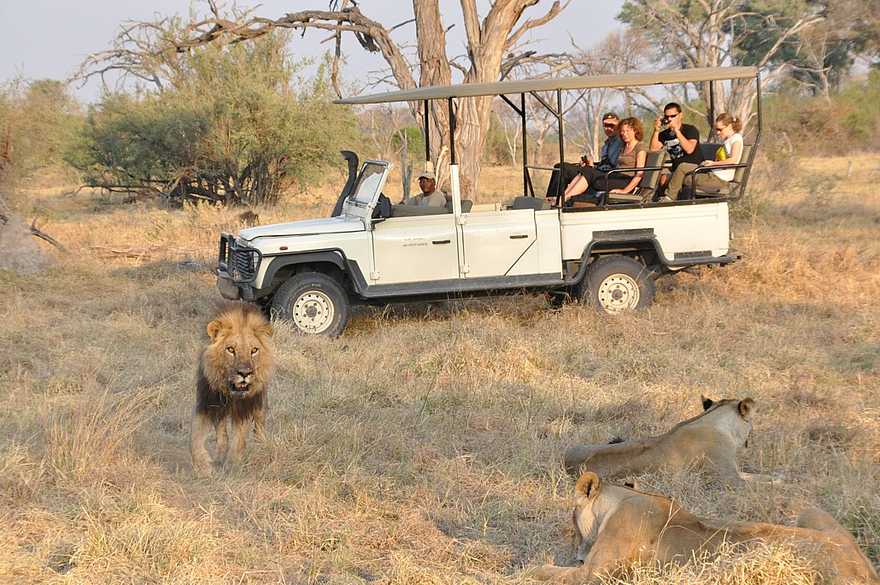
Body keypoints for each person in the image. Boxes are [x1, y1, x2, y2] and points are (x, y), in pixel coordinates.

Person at [562, 117, 648, 205]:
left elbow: (639, 174)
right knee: (586, 169)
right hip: (615, 176)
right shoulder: (623, 146)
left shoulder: (640, 147)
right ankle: (563, 197)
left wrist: (625, 191)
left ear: (635, 131)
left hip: (625, 180)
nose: (624, 134)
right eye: (622, 131)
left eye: (627, 131)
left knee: (590, 173)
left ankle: (565, 199)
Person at [665, 113, 744, 201]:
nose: (717, 133)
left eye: (720, 129)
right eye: (716, 129)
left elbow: (734, 160)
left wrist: (713, 164)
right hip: (712, 174)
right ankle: (669, 197)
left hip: (719, 180)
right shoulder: (727, 140)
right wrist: (708, 164)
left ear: (729, 126)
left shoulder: (736, 138)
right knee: (682, 167)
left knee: (681, 178)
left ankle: (669, 198)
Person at [545, 112, 622, 202]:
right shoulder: (605, 145)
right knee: (560, 166)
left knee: (565, 169)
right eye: (605, 125)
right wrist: (591, 164)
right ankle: (551, 199)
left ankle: (557, 201)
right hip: (597, 171)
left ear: (618, 126)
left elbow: (616, 164)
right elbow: (605, 163)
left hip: (607, 176)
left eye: (611, 125)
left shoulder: (621, 143)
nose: (608, 128)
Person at [649, 102, 704, 198]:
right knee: (661, 178)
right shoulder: (664, 134)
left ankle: (669, 198)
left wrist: (677, 131)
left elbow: (689, 149)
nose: (669, 119)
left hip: (693, 167)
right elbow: (653, 149)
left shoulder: (690, 129)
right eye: (667, 117)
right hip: (675, 170)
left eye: (673, 116)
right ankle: (656, 200)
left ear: (680, 115)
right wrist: (656, 130)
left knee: (678, 172)